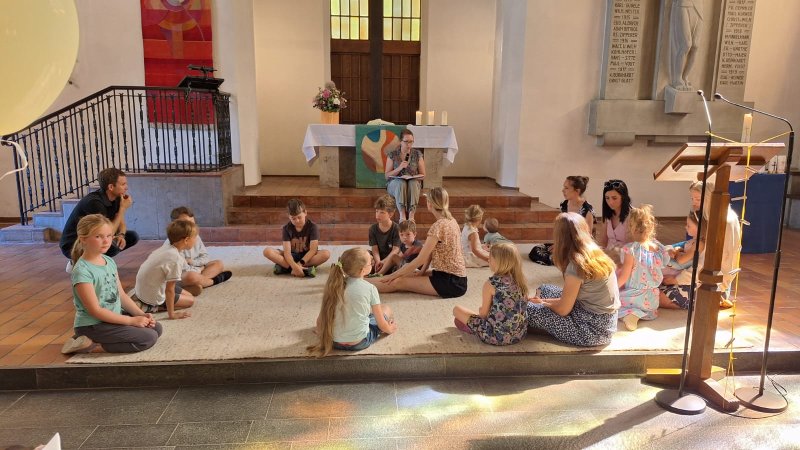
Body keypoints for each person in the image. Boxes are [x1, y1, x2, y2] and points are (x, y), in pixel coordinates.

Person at [60, 214, 162, 354]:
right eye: (98, 236)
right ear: (83, 239)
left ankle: (102, 338)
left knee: (156, 328)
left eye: (109, 236)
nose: (106, 241)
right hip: (93, 325)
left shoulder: (109, 261)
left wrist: (141, 315)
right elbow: (95, 311)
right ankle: (93, 343)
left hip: (111, 318)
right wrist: (131, 321)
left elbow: (121, 296)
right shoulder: (82, 271)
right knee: (148, 338)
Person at [527, 212, 620, 347]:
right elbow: (570, 300)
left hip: (592, 330)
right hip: (605, 321)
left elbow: (563, 309)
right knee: (545, 289)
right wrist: (544, 302)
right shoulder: (595, 252)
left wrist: (542, 304)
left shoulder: (576, 265)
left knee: (527, 309)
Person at [371, 187, 467, 298]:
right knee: (409, 274)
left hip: (452, 282)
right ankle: (363, 281)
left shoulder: (438, 226)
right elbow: (430, 253)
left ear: (430, 203)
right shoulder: (452, 221)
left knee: (398, 281)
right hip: (450, 275)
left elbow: (420, 259)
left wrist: (392, 275)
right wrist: (421, 272)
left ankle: (361, 285)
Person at [307, 247, 397, 356]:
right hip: (359, 342)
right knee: (386, 309)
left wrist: (321, 331)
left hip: (334, 342)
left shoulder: (334, 286)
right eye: (370, 263)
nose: (372, 264)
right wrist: (390, 329)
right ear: (362, 270)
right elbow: (382, 325)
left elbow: (320, 321)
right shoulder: (370, 288)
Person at [59, 168, 138, 270]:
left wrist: (121, 235)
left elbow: (120, 223)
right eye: (123, 184)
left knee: (132, 237)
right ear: (111, 187)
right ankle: (79, 259)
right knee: (112, 247)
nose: (126, 187)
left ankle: (93, 260)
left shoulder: (117, 197)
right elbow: (106, 233)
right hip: (73, 244)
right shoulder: (94, 202)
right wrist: (123, 208)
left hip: (94, 237)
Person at [453, 243, 529, 346]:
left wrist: (480, 311)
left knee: (457, 310)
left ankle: (473, 329)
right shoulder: (520, 281)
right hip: (519, 335)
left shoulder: (491, 284)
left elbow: (483, 314)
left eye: (490, 258)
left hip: (494, 337)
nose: (488, 260)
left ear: (499, 262)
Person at [617, 205, 669, 331]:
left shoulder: (631, 250)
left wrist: (612, 289)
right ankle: (639, 314)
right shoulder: (657, 247)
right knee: (648, 309)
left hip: (634, 296)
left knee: (613, 304)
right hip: (652, 300)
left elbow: (624, 277)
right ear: (651, 227)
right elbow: (666, 262)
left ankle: (631, 315)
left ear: (631, 227)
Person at [132, 220, 197, 320]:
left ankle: (141, 300)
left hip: (145, 287)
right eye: (195, 237)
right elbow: (169, 290)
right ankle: (150, 306)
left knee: (189, 295)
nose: (196, 240)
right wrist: (172, 315)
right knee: (190, 301)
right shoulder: (175, 258)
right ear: (186, 240)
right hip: (151, 294)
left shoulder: (167, 248)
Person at [529, 175, 594, 265]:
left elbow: (587, 237)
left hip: (578, 245)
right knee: (536, 251)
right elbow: (562, 229)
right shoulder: (564, 204)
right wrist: (558, 244)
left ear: (577, 191)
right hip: (564, 243)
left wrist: (565, 247)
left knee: (567, 257)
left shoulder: (587, 209)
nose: (563, 190)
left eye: (566, 188)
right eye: (564, 187)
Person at [168, 206, 232, 296]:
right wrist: (200, 268)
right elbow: (185, 270)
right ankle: (212, 281)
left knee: (218, 264)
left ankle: (198, 284)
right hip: (180, 276)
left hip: (196, 268)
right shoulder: (173, 244)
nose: (191, 227)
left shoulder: (195, 236)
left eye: (192, 223)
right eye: (186, 223)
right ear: (175, 225)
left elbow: (205, 256)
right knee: (191, 276)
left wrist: (193, 262)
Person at [263, 198, 331, 278]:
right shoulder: (286, 228)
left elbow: (313, 250)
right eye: (293, 218)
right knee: (267, 251)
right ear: (289, 217)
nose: (297, 221)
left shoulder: (313, 227)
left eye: (299, 217)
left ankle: (285, 268)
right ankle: (306, 269)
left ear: (305, 213)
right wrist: (295, 267)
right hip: (291, 256)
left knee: (326, 254)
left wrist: (299, 264)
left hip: (307, 257)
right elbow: (287, 253)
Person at [660, 211, 706, 310]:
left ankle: (694, 304)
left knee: (655, 297)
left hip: (693, 282)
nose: (685, 227)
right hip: (682, 277)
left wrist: (676, 253)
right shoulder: (692, 241)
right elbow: (683, 250)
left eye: (688, 225)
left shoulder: (699, 244)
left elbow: (681, 260)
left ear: (700, 228)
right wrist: (677, 249)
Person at [385, 129, 426, 222]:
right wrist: (399, 168)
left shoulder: (417, 154)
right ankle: (402, 215)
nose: (409, 145)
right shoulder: (392, 154)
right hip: (395, 184)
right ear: (400, 141)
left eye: (411, 142)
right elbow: (387, 176)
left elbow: (423, 175)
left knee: (413, 183)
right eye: (406, 141)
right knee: (401, 183)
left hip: (412, 183)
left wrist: (412, 177)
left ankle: (411, 215)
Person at [669, 0, 703, 90]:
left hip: (698, 8)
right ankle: (677, 78)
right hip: (683, 5)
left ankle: (685, 76)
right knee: (686, 44)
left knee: (695, 46)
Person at [597, 179, 632, 263]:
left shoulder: (633, 216)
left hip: (626, 259)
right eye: (607, 198)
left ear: (623, 197)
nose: (610, 202)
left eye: (614, 198)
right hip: (608, 258)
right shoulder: (607, 216)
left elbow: (632, 246)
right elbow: (603, 241)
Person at [368, 194, 401, 276]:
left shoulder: (397, 228)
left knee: (399, 261)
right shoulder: (372, 228)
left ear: (391, 214)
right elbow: (374, 249)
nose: (378, 215)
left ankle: (381, 273)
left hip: (391, 259)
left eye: (382, 212)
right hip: (378, 258)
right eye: (377, 211)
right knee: (364, 254)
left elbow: (395, 250)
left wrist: (384, 262)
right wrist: (378, 261)